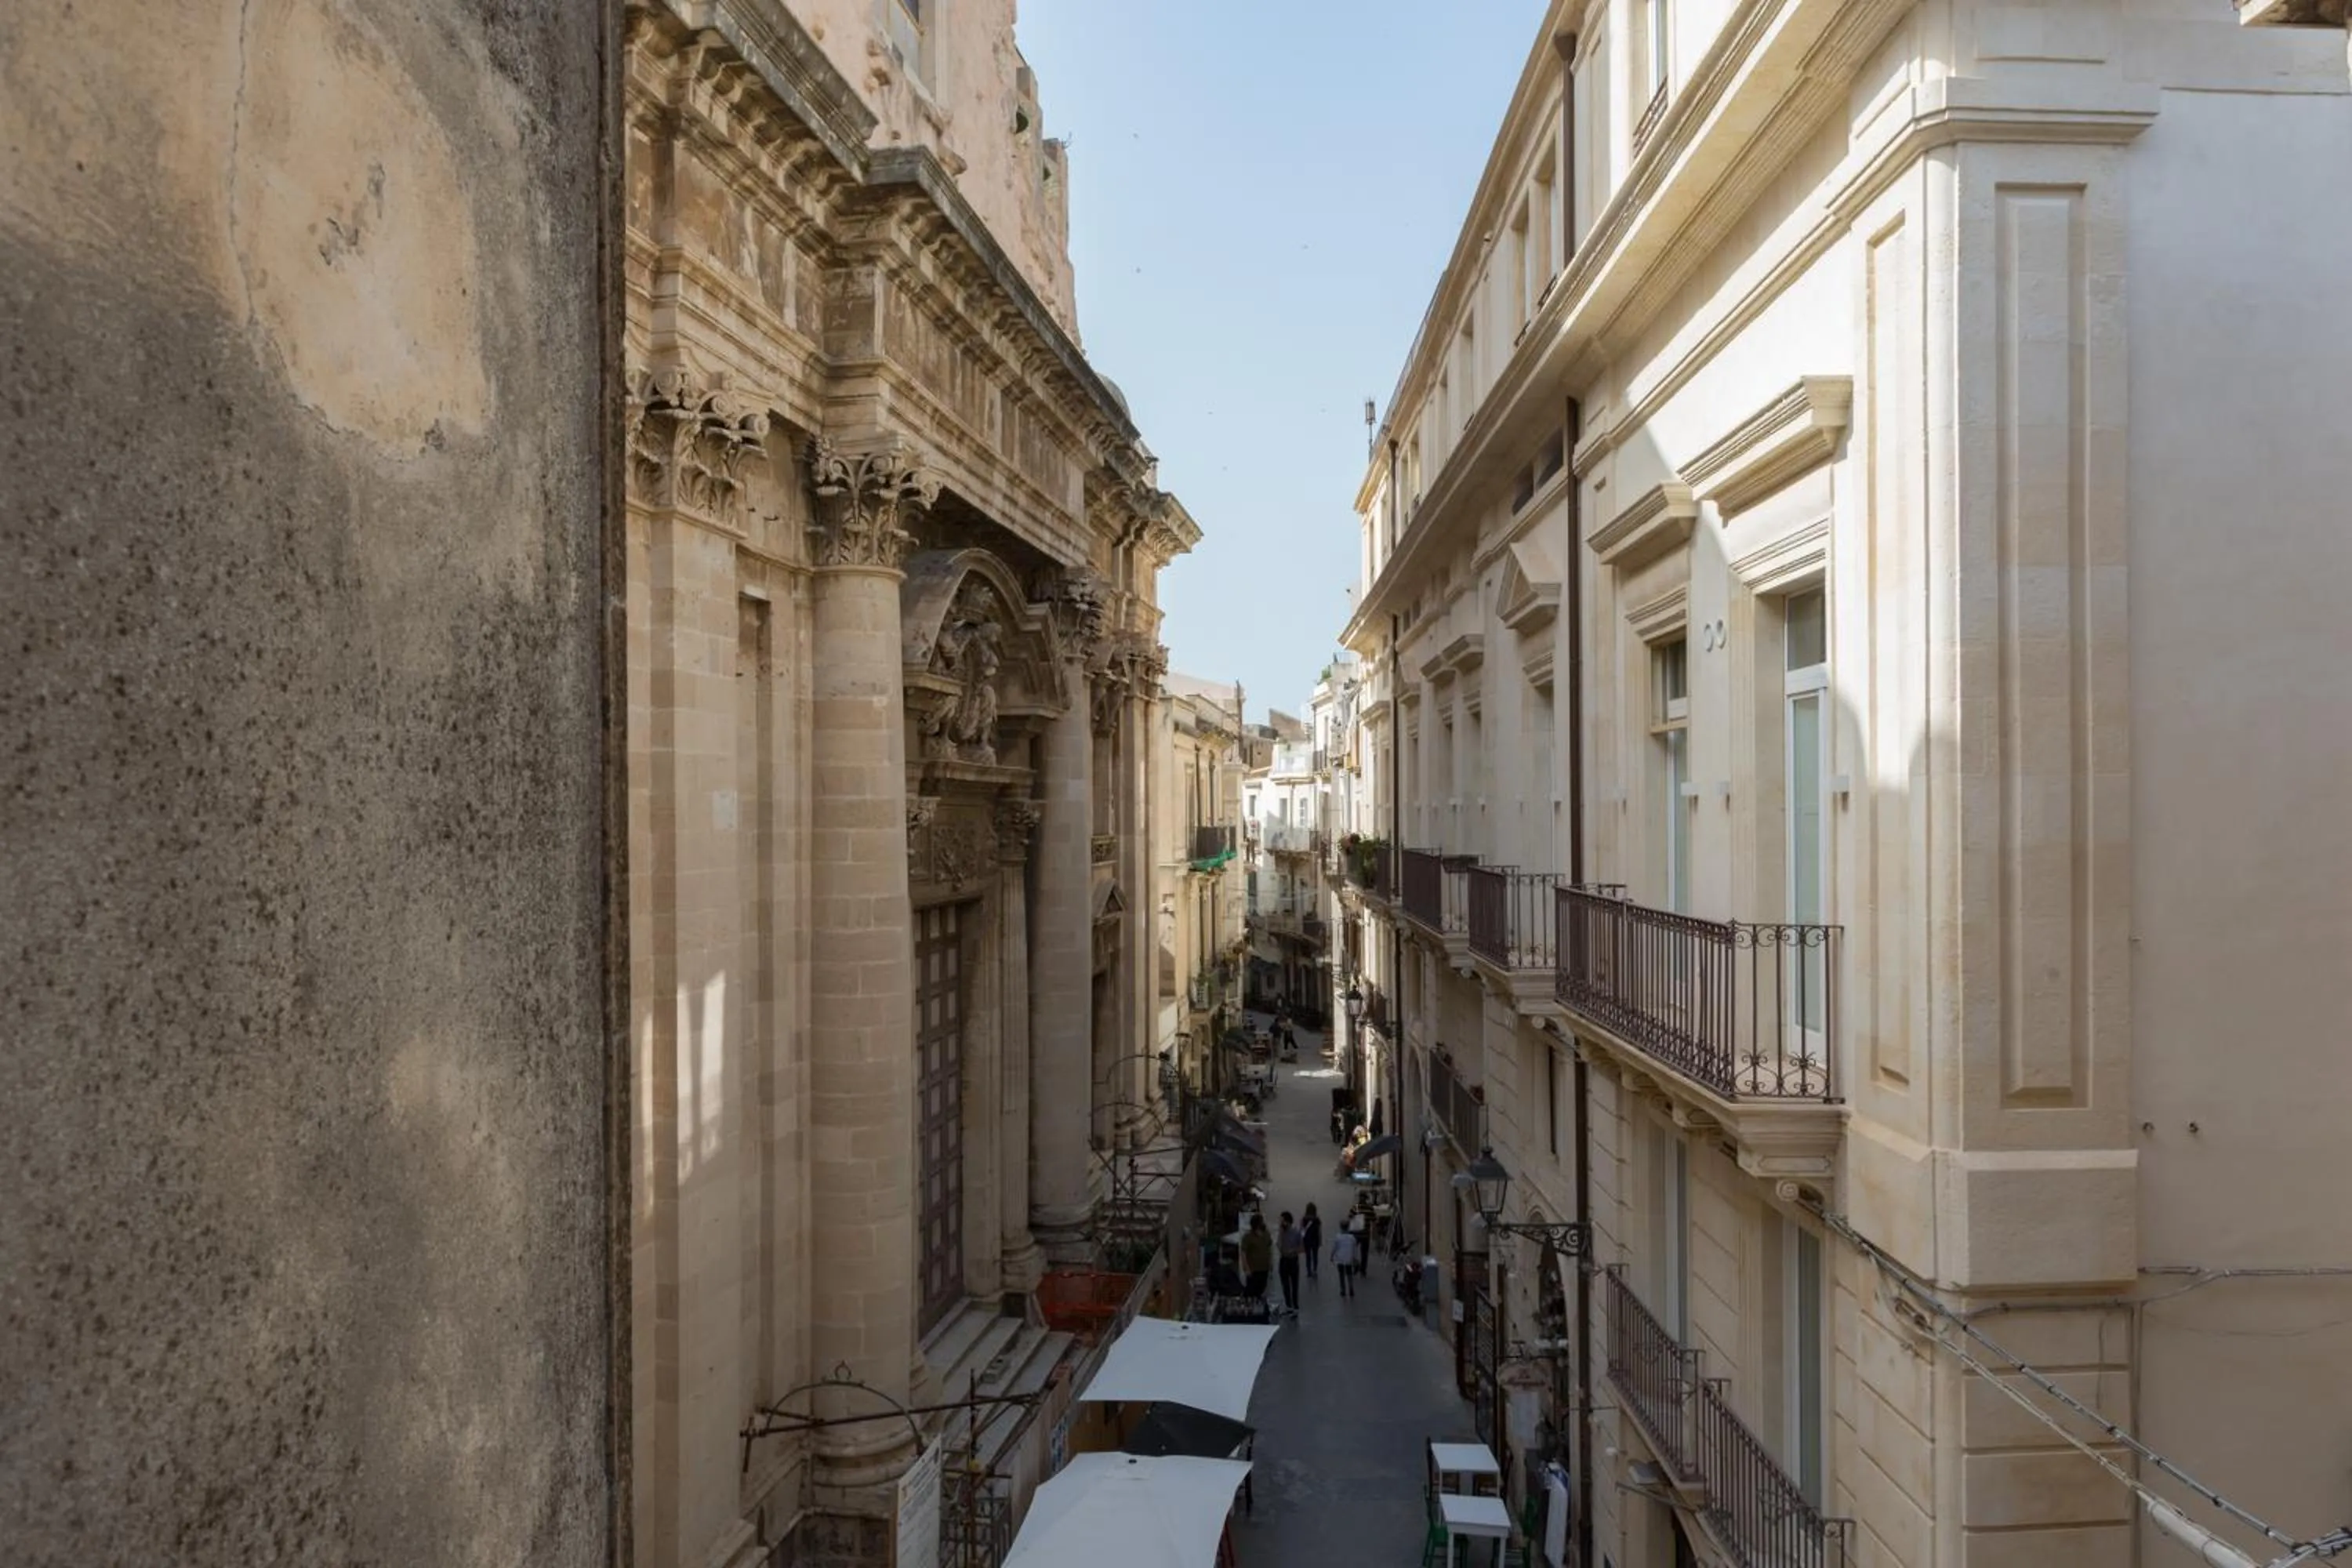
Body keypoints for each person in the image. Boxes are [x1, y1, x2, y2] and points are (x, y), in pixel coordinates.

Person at [1240, 1212, 1272, 1304]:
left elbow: (1269, 1248)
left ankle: (1258, 1303)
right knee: (1251, 1290)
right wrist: (1246, 1267)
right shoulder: (1248, 1237)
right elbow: (1243, 1253)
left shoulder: (1266, 1234)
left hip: (1264, 1268)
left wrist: (1270, 1262)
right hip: (1253, 1269)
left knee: (1262, 1287)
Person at [1276, 1210, 1303, 1317]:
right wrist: (1281, 1234)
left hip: (1293, 1260)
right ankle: (1289, 1306)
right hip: (1284, 1260)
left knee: (1294, 1284)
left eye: (1282, 1221)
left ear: (1287, 1221)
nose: (1280, 1223)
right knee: (1285, 1284)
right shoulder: (1282, 1232)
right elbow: (1279, 1246)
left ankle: (1295, 1306)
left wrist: (1293, 1251)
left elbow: (1301, 1247)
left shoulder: (1296, 1232)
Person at [1330, 1222, 1360, 1298]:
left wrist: (1332, 1256)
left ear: (1341, 1227)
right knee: (1349, 1274)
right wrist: (1355, 1258)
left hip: (1340, 1258)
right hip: (1349, 1258)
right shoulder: (1352, 1238)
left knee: (1341, 1275)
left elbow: (1335, 1248)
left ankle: (1343, 1290)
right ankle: (1351, 1288)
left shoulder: (1338, 1237)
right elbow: (1354, 1249)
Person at [1301, 1203, 1323, 1283]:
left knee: (1308, 1256)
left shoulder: (1304, 1219)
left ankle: (1309, 1271)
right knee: (1315, 1256)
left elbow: (1302, 1230)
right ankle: (1315, 1270)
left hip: (1307, 1240)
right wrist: (1320, 1240)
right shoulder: (1317, 1220)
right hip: (1315, 1240)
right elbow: (1319, 1231)